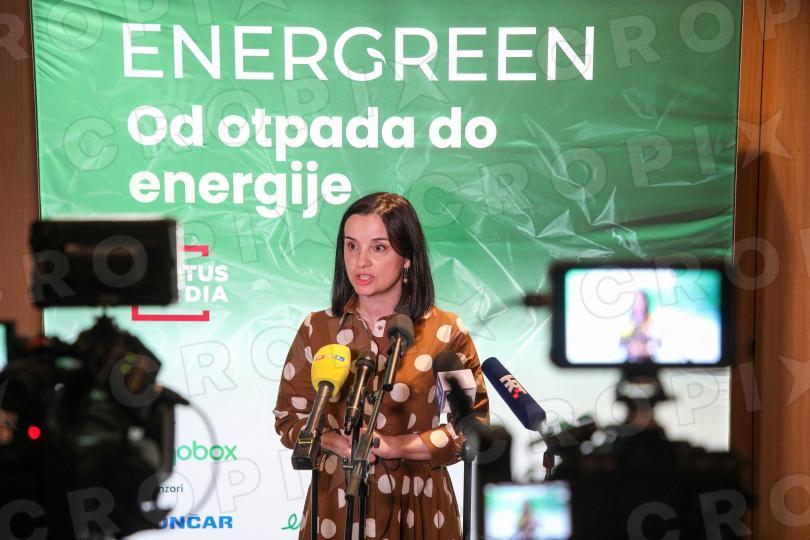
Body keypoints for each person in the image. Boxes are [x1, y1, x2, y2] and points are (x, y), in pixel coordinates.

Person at [274, 192, 489, 539]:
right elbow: (289, 418)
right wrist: (334, 441)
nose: (360, 261)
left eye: (378, 248)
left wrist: (393, 446)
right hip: (336, 504)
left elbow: (470, 429)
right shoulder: (318, 328)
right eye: (351, 246)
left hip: (419, 504)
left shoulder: (446, 331)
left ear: (407, 257)